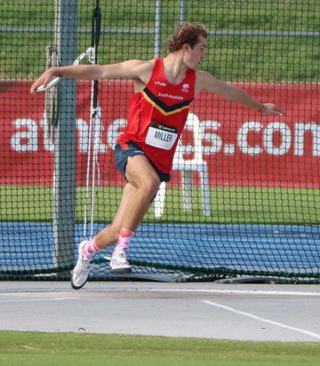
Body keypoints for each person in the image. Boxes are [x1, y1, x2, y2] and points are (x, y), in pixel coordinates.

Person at [31, 22, 284, 290]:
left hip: (158, 161)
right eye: (201, 48)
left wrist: (260, 107)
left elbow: (231, 92)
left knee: (118, 228)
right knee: (149, 184)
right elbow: (100, 71)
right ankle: (120, 253)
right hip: (131, 148)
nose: (203, 54)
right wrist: (56, 70)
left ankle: (88, 251)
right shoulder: (147, 70)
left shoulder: (198, 80)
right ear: (186, 48)